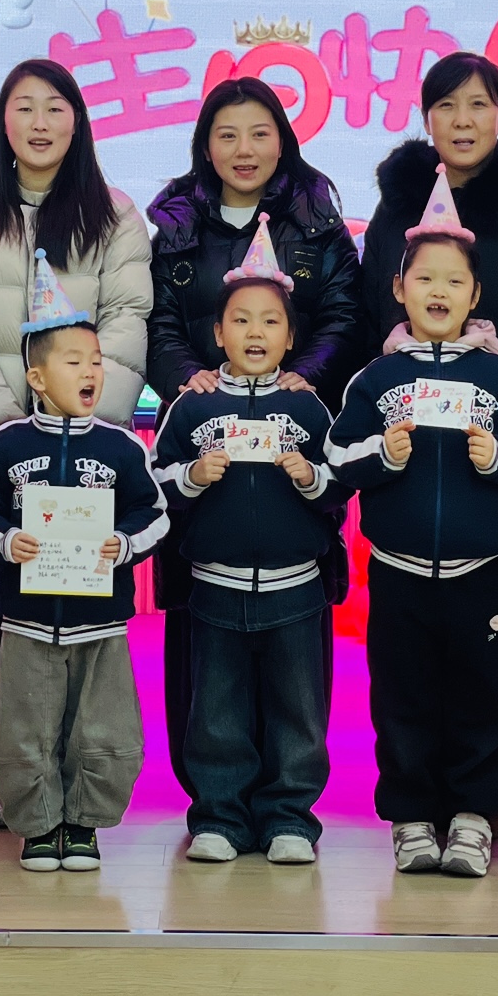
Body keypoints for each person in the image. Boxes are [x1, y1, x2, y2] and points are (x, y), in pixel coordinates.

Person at [0, 59, 153, 827]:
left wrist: (78, 420)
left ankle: (76, 777)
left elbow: (127, 323)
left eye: (56, 107)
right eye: (25, 107)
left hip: (85, 468)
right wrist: (9, 429)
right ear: (3, 121)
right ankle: (6, 773)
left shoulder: (116, 218)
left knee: (79, 629)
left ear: (78, 120)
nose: (41, 122)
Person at [358, 53, 498, 834]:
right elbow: (372, 311)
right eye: (446, 106)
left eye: (478, 104)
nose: (462, 120)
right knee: (411, 648)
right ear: (427, 119)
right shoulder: (397, 205)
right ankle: (417, 799)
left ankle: (495, 795)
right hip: (414, 458)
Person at [329, 179, 498, 880]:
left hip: (481, 573)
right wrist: (383, 453)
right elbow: (339, 454)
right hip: (398, 572)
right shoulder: (376, 379)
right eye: (424, 278)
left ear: (475, 295)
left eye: (454, 281)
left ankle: (472, 816)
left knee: (483, 699)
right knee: (402, 697)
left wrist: (497, 457)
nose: (439, 291)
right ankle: (411, 816)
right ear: (398, 289)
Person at [146, 77, 361, 796]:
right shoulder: (177, 224)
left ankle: (288, 799)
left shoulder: (317, 220)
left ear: (284, 141)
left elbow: (343, 314)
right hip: (208, 438)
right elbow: (159, 320)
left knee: (294, 661)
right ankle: (214, 797)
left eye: (260, 132)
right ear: (205, 144)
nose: (244, 149)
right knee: (208, 654)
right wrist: (189, 380)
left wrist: (306, 376)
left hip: (289, 434)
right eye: (227, 134)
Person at [0, 262, 168, 873]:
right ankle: (39, 825)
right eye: (74, 361)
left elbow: (154, 514)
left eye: (96, 361)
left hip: (101, 626)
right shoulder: (9, 444)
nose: (91, 371)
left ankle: (83, 825)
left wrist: (123, 544)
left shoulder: (121, 446)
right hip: (26, 623)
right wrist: (6, 542)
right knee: (24, 730)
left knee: (101, 728)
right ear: (37, 377)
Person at [149, 228, 345, 865]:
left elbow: (340, 487)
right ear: (217, 334)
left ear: (290, 338)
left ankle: (290, 817)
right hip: (214, 588)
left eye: (270, 321)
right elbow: (155, 483)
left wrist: (309, 476)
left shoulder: (308, 408)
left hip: (296, 590)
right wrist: (191, 476)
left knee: (298, 711)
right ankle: (219, 817)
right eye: (240, 320)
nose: (255, 331)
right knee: (216, 712)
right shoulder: (192, 408)